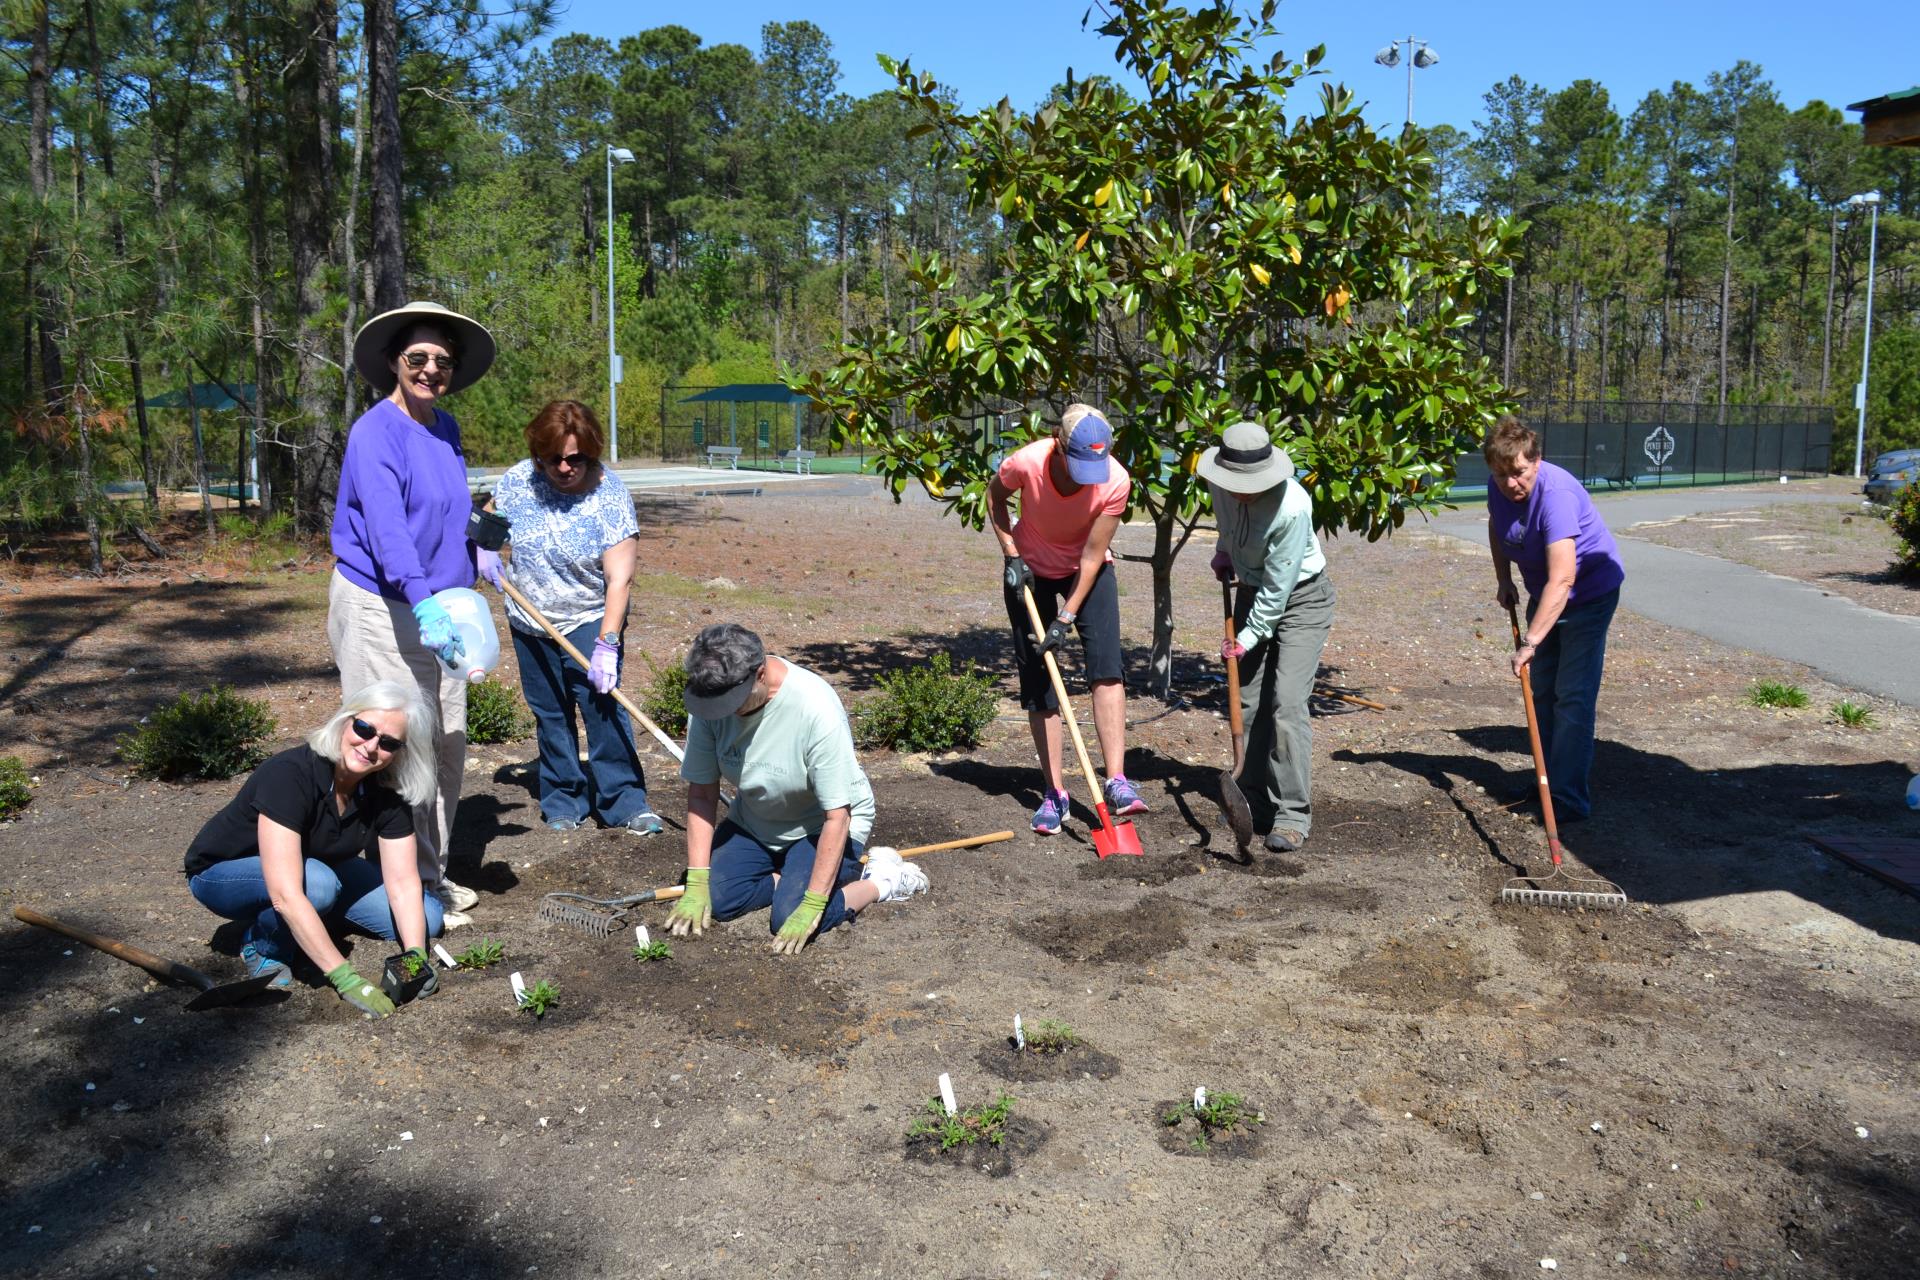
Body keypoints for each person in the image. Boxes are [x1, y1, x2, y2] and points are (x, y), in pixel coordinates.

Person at [328, 300, 498, 928]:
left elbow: (448, 509)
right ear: (395, 363)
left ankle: (430, 874)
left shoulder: (444, 427)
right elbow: (387, 527)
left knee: (447, 740)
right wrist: (421, 598)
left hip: (443, 606)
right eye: (417, 359)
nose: (430, 370)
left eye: (442, 362)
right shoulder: (375, 432)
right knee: (393, 744)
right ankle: (391, 886)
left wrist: (478, 548)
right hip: (386, 603)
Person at [183, 682, 443, 1019]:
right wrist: (344, 977)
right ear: (345, 720)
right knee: (317, 887)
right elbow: (285, 893)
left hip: (316, 867)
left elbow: (404, 883)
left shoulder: (385, 790)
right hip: (222, 874)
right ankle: (262, 943)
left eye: (389, 742)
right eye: (364, 729)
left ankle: (311, 923)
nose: (371, 746)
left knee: (429, 917)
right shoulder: (291, 774)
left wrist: (415, 958)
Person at [662, 623, 927, 953]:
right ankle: (786, 877)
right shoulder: (712, 698)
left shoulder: (815, 708)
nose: (723, 715)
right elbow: (702, 793)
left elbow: (837, 817)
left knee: (788, 917)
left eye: (732, 703)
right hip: (755, 820)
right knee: (715, 899)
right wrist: (699, 881)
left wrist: (814, 903)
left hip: (821, 825)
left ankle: (882, 881)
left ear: (760, 674)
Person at [487, 400, 661, 835]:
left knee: (603, 708)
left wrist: (607, 643)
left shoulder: (610, 496)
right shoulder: (517, 481)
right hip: (529, 618)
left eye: (575, 458)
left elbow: (618, 580)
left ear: (591, 452)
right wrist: (483, 548)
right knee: (550, 713)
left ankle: (623, 801)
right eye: (553, 459)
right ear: (538, 455)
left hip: (589, 618)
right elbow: (485, 519)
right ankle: (563, 798)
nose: (564, 468)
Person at [990, 403, 1144, 835]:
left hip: (1086, 572)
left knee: (1107, 670)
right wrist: (1011, 555)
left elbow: (1094, 555)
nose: (1085, 474)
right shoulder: (1026, 462)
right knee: (1040, 681)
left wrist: (1066, 615)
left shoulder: (1115, 480)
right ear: (1058, 443)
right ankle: (1054, 793)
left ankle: (1116, 781)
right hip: (1029, 571)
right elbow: (995, 498)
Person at [1200, 421, 1334, 854]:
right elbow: (1228, 523)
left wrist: (1249, 637)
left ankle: (1293, 812)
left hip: (1301, 599)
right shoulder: (1221, 484)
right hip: (1253, 591)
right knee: (1249, 699)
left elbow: (1279, 591)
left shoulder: (1291, 507)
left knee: (1286, 703)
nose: (1241, 490)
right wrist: (1225, 550)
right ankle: (1253, 797)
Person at [1484, 415, 1626, 821]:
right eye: (1501, 474)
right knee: (1541, 691)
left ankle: (1567, 800)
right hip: (1544, 593)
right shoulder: (1500, 489)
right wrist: (1504, 578)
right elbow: (1498, 527)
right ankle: (1546, 782)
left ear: (1537, 461)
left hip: (1587, 595)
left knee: (1572, 698)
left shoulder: (1556, 495)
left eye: (1520, 473)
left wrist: (1530, 642)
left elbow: (1564, 578)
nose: (1512, 483)